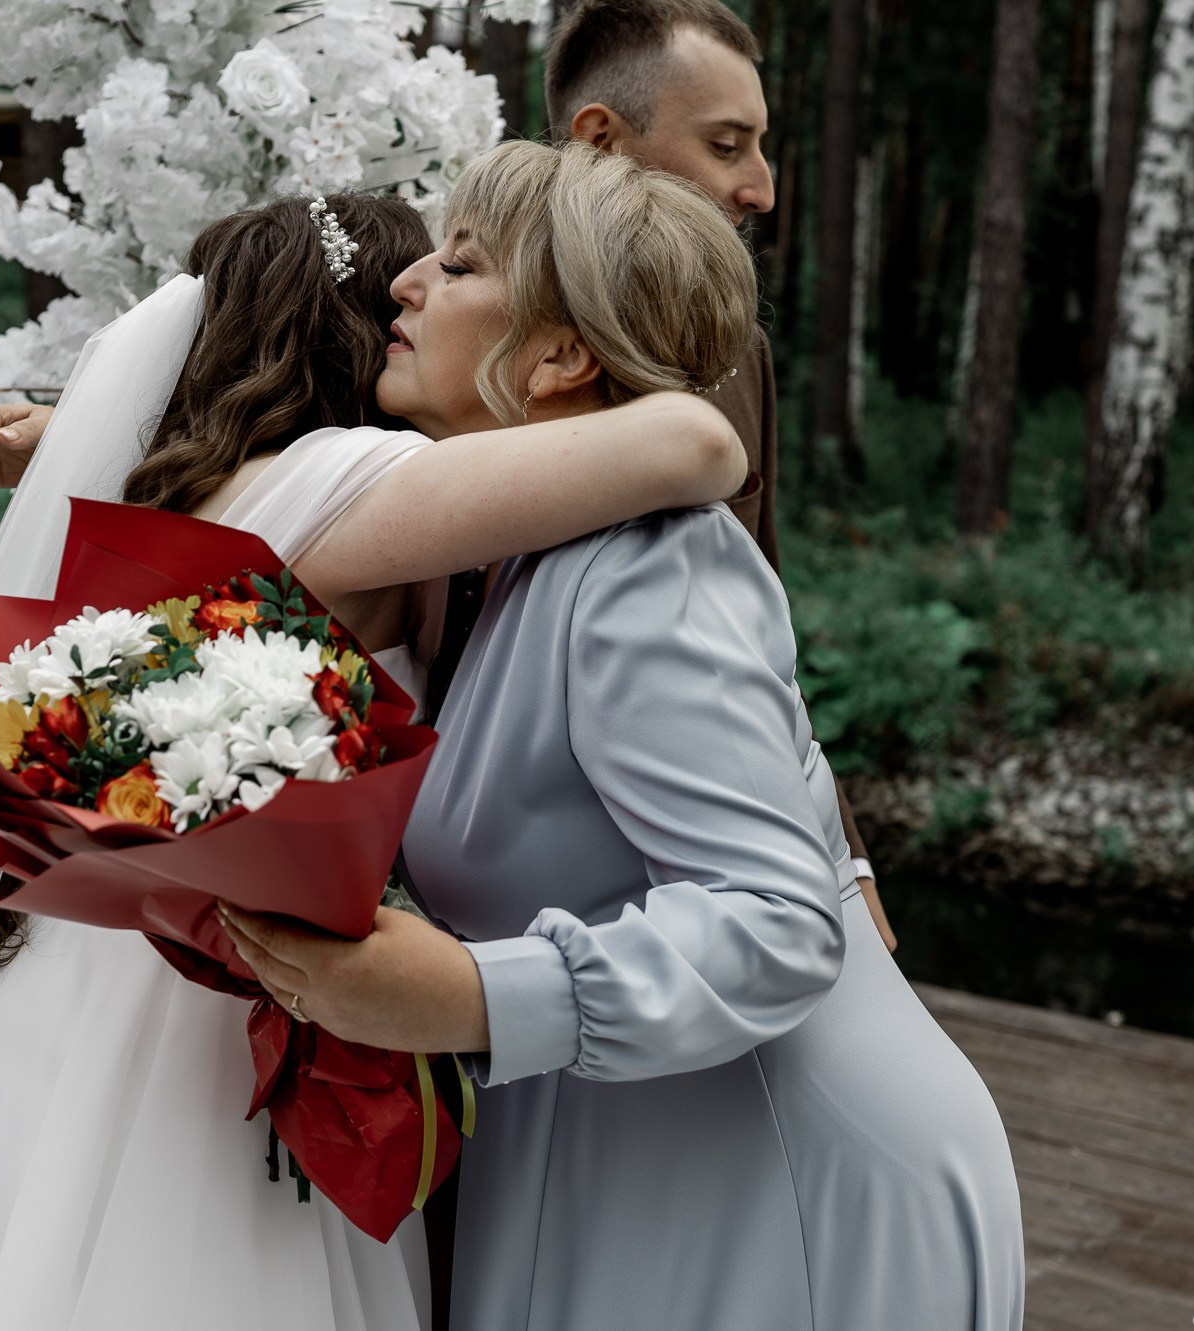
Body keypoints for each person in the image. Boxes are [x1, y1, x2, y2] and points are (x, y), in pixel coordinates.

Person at [0, 187, 751, 1330]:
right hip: (203, 1028)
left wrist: (61, 433)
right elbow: (693, 443)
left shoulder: (196, 484)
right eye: (405, 287)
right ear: (352, 331)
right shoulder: (348, 479)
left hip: (79, 984)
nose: (418, 300)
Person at [219, 141, 1025, 1331]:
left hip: (782, 1177)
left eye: (459, 264)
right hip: (628, 1150)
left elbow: (776, 918)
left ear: (560, 355)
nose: (405, 281)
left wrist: (469, 993)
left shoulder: (649, 569)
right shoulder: (494, 561)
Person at [547, 0, 899, 951]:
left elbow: (761, 619)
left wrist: (846, 858)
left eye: (760, 147)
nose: (762, 189)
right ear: (600, 139)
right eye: (727, 145)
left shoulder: (741, 355)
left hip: (728, 882)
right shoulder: (460, 340)